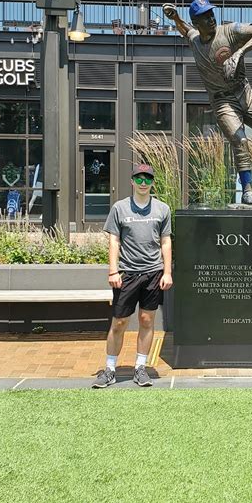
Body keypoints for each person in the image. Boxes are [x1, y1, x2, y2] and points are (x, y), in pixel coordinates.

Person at [163, 0, 252, 206]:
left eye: (211, 14)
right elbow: (185, 30)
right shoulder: (195, 39)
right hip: (222, 101)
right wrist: (176, 17)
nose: (211, 19)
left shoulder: (230, 31)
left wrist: (239, 52)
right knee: (240, 140)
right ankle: (248, 191)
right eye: (205, 17)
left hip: (244, 93)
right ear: (197, 23)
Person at [92, 163, 173, 388]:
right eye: (139, 178)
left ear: (152, 182)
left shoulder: (162, 209)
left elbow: (165, 241)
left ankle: (140, 367)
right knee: (119, 322)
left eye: (147, 178)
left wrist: (167, 272)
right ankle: (109, 369)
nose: (143, 182)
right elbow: (114, 241)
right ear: (132, 182)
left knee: (147, 320)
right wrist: (113, 270)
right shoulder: (119, 208)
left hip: (153, 273)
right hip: (126, 273)